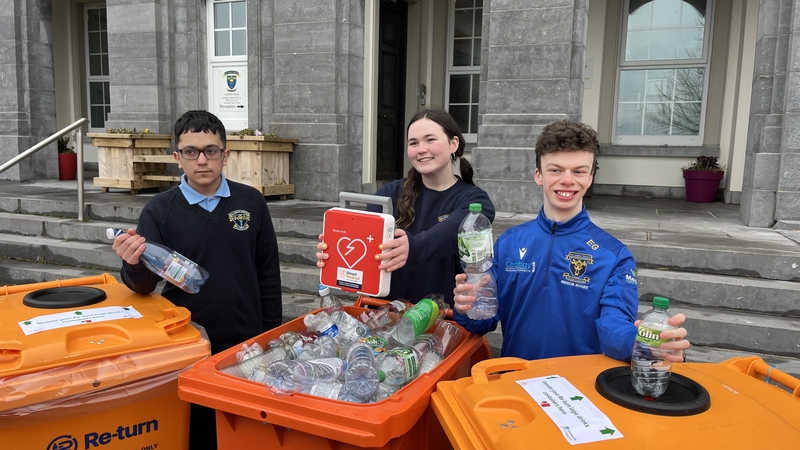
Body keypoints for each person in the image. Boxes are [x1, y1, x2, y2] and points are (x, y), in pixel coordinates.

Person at [111, 110, 282, 449]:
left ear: (225, 155)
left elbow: (268, 272)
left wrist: (270, 333)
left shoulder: (251, 202)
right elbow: (144, 286)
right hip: (188, 341)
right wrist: (133, 264)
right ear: (178, 158)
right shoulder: (159, 210)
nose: (202, 160)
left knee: (244, 428)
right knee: (198, 429)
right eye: (191, 151)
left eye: (210, 150)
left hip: (245, 339)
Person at [453, 120, 689, 362]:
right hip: (515, 378)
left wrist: (645, 343)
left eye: (579, 171)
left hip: (578, 383)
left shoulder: (614, 256)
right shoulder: (508, 243)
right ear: (538, 175)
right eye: (555, 170)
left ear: (590, 178)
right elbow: (483, 321)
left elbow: (614, 325)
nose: (567, 180)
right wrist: (466, 306)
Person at [316, 109, 495, 306]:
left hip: (441, 316)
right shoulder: (389, 193)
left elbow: (454, 229)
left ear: (454, 144)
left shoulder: (475, 201)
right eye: (413, 143)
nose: (421, 149)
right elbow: (361, 243)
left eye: (430, 140)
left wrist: (414, 247)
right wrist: (335, 250)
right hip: (384, 313)